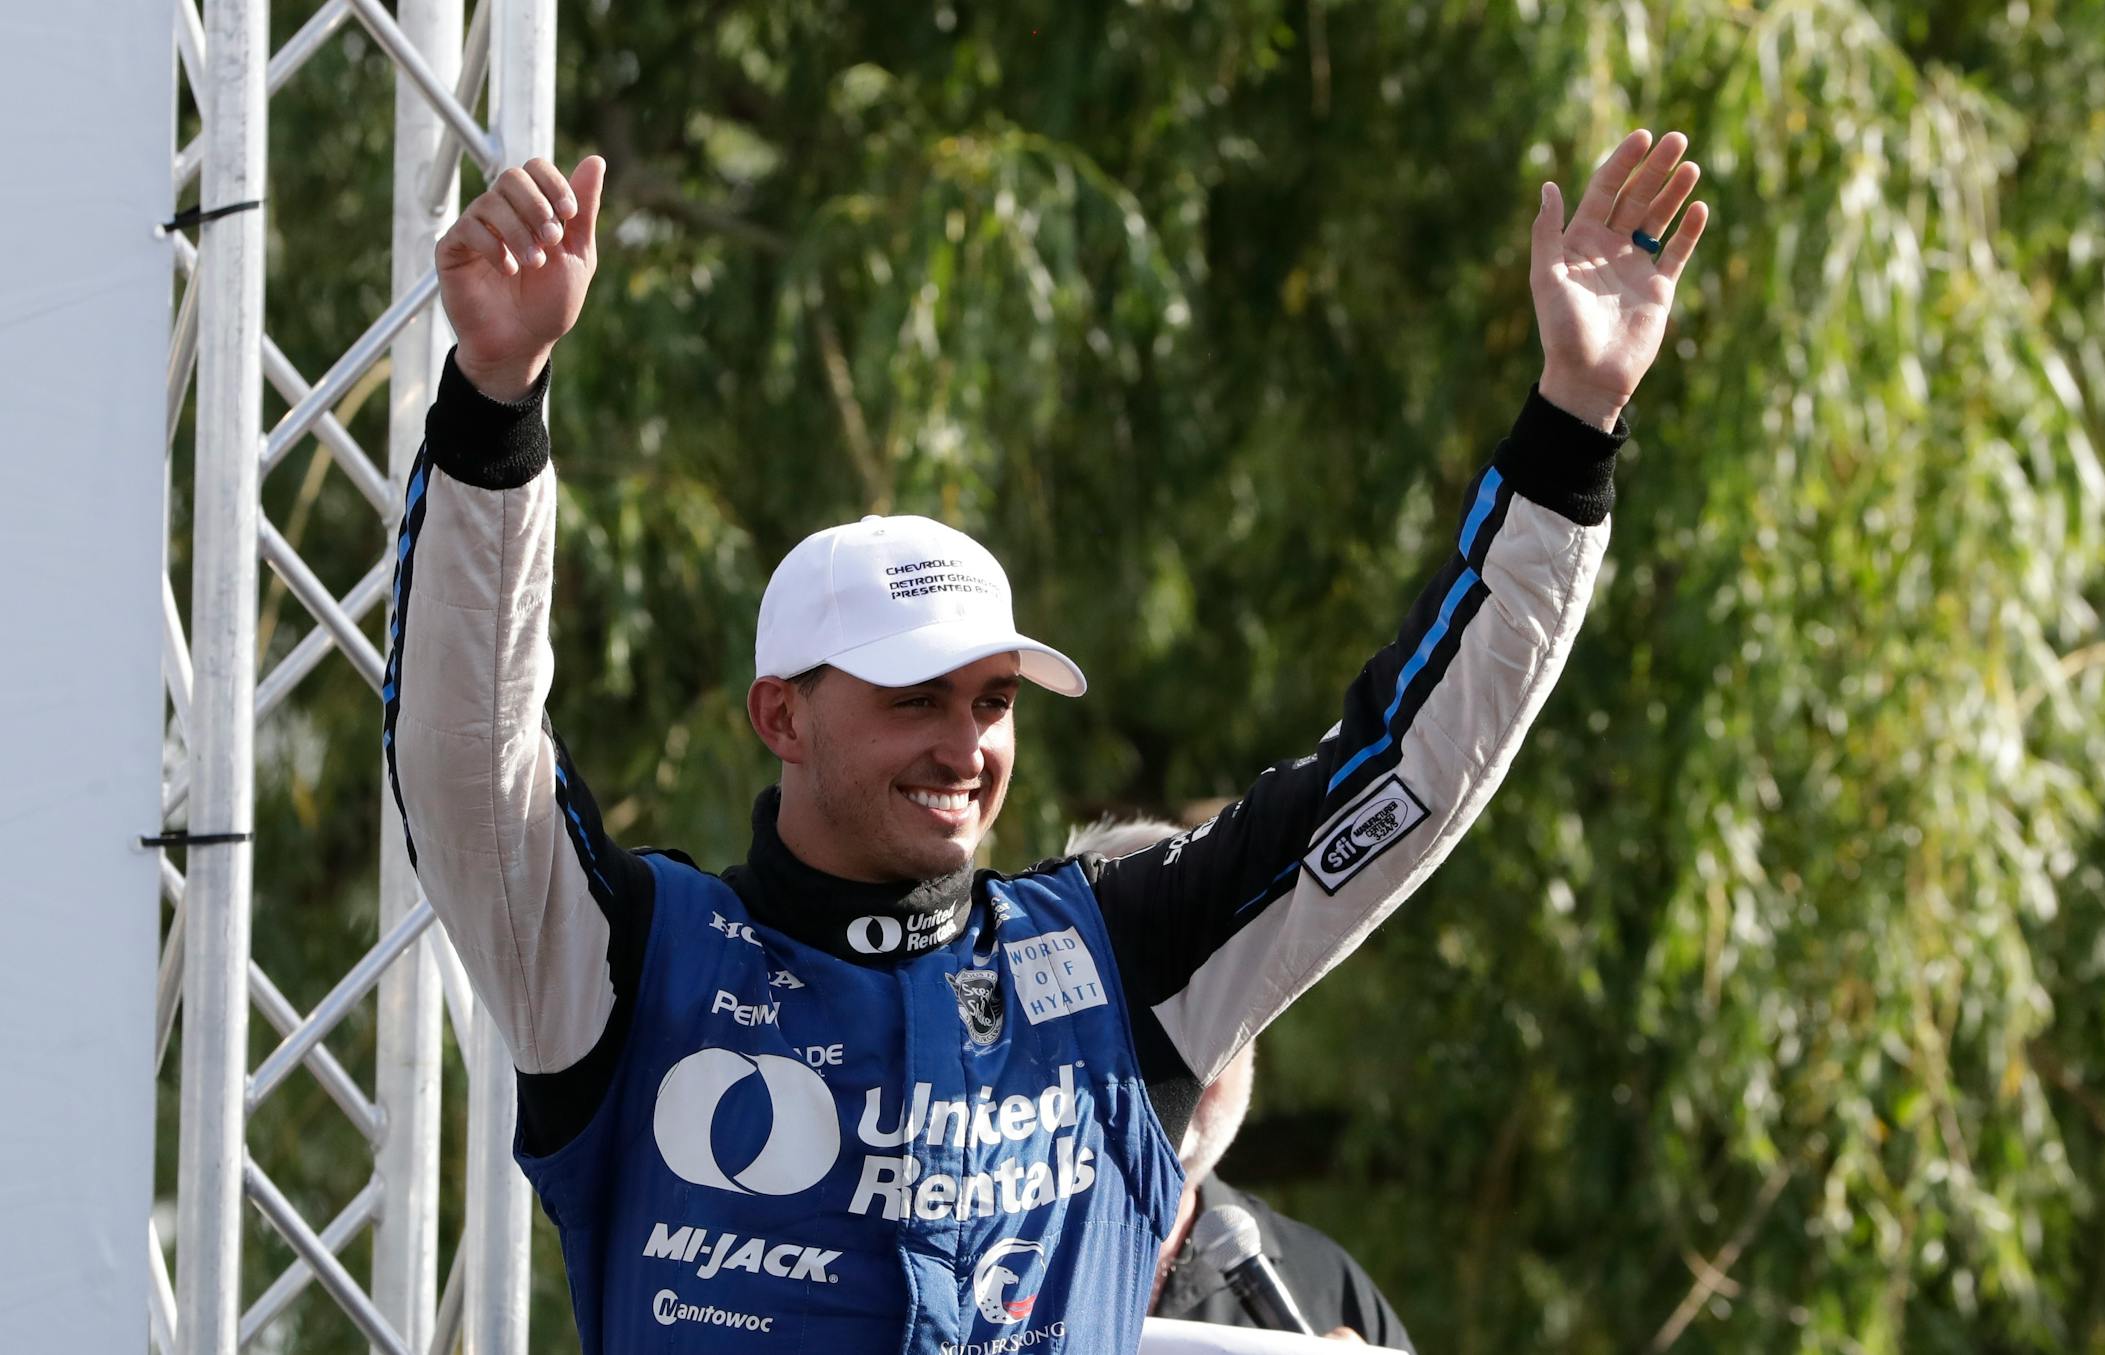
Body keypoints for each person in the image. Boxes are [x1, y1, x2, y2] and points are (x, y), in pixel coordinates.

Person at [386, 129, 1708, 1354]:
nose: (965, 743)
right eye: (914, 697)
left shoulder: (1113, 959)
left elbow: (1413, 765)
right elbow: (466, 749)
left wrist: (1573, 422)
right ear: (781, 713)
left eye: (995, 700)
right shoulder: (629, 958)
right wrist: (497, 402)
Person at [1068, 818, 1415, 1351]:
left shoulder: (1326, 1289)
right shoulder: (955, 1258)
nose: (1176, 1053)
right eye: (1132, 1000)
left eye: (1210, 1005)